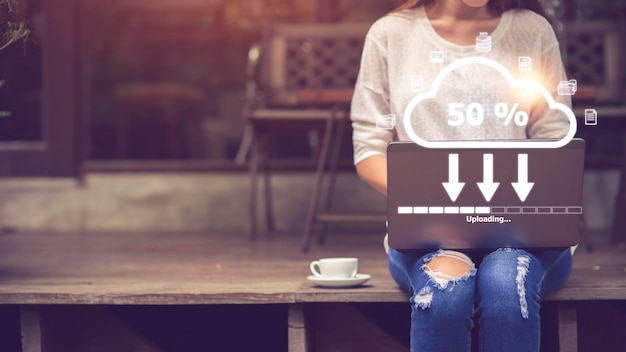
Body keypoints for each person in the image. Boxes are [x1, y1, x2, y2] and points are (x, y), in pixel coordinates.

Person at [350, 0, 574, 351]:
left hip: (522, 238)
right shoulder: (390, 34)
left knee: (504, 286)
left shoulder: (531, 30)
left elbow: (555, 140)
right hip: (427, 238)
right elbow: (368, 150)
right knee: (445, 294)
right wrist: (438, 211)